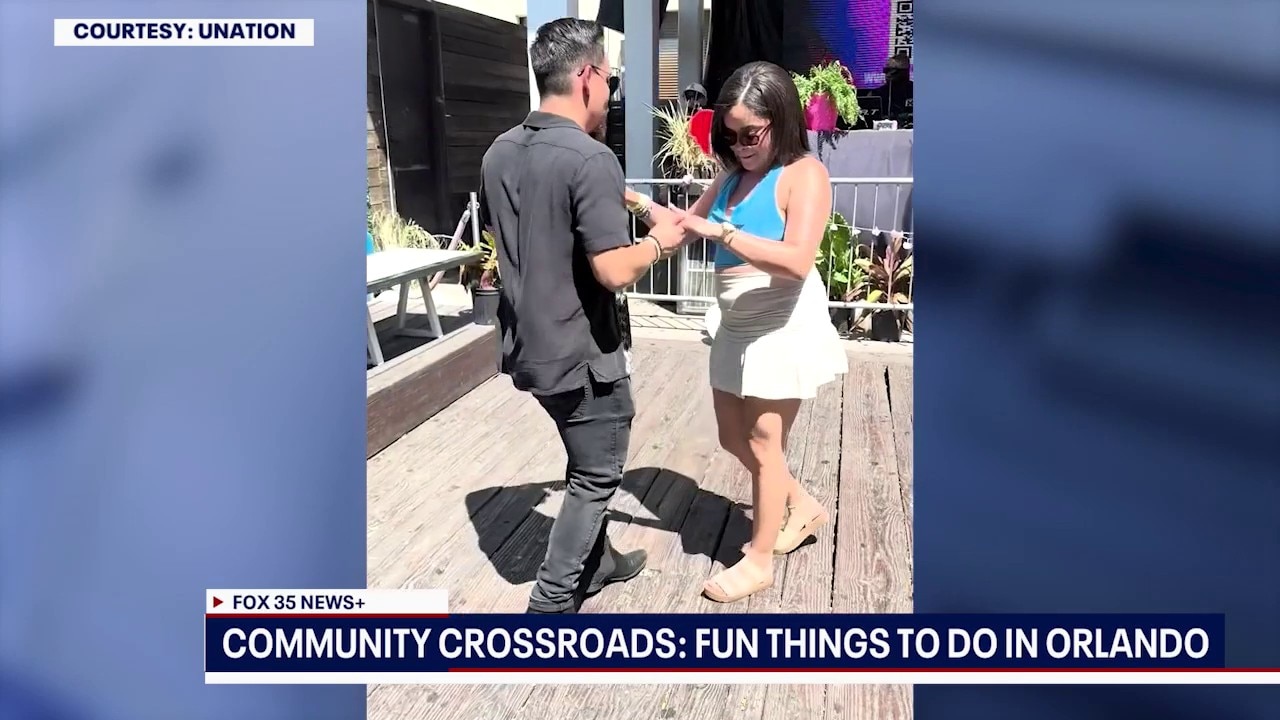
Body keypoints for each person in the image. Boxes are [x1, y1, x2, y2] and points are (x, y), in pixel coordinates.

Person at [479, 18, 687, 614]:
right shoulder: (591, 157)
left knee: (583, 454)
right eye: (612, 81)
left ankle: (600, 565)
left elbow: (521, 228)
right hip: (583, 355)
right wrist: (661, 242)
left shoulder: (498, 152)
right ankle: (550, 603)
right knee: (597, 472)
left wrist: (633, 204)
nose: (610, 94)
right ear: (588, 76)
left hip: (528, 346)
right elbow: (613, 270)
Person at [630, 61, 848, 603]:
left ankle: (758, 560)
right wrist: (629, 198)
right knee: (733, 437)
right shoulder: (730, 176)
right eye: (730, 136)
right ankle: (801, 504)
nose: (740, 146)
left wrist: (723, 232)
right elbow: (683, 226)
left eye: (751, 134)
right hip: (735, 325)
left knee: (765, 442)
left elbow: (796, 260)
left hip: (779, 322)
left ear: (781, 118)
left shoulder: (804, 174)